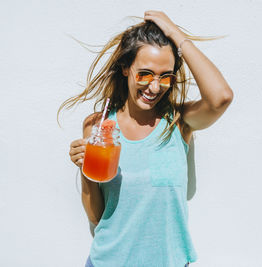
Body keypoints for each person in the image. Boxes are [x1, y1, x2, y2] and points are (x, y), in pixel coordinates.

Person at [60, 10, 233, 267]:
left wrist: (176, 34)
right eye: (145, 74)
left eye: (166, 76)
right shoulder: (98, 125)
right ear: (126, 68)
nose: (155, 87)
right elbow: (97, 216)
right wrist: (85, 170)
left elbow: (221, 97)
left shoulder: (178, 121)